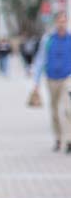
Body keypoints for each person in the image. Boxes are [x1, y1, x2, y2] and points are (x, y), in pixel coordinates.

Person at [32, 12, 71, 153]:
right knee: (54, 110)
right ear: (56, 22)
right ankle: (58, 138)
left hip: (67, 77)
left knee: (67, 109)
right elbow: (40, 59)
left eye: (64, 21)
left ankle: (69, 140)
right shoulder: (48, 39)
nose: (62, 23)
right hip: (51, 78)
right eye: (59, 21)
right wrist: (35, 81)